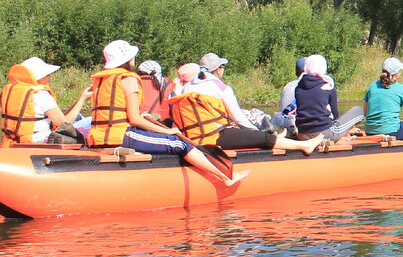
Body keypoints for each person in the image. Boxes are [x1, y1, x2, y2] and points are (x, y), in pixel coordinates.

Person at [87, 39, 247, 187]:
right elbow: (134, 119)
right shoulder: (128, 79)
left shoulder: (101, 80)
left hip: (97, 137)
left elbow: (121, 114)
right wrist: (167, 130)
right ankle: (226, 178)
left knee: (171, 138)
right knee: (180, 143)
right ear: (129, 59)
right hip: (121, 136)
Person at [170, 64, 322, 155]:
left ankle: (280, 138)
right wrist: (255, 133)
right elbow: (238, 118)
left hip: (191, 138)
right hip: (214, 137)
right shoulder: (219, 87)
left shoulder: (180, 91)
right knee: (263, 138)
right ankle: (305, 145)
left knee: (257, 134)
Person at [0, 57, 91, 146]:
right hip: (37, 142)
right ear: (38, 77)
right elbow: (65, 124)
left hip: (10, 142)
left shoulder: (9, 91)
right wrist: (83, 99)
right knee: (88, 125)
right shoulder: (41, 95)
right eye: (47, 74)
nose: (50, 76)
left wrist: (80, 98)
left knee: (78, 118)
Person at [294, 54, 362, 141]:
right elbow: (336, 116)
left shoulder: (298, 88)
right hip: (325, 134)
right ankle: (348, 130)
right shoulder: (328, 87)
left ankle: (345, 130)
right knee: (358, 110)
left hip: (302, 134)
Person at [196, 52, 261, 130]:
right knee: (266, 137)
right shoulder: (222, 88)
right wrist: (254, 130)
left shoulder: (189, 84)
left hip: (193, 128)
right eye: (223, 66)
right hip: (215, 130)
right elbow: (238, 118)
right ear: (218, 70)